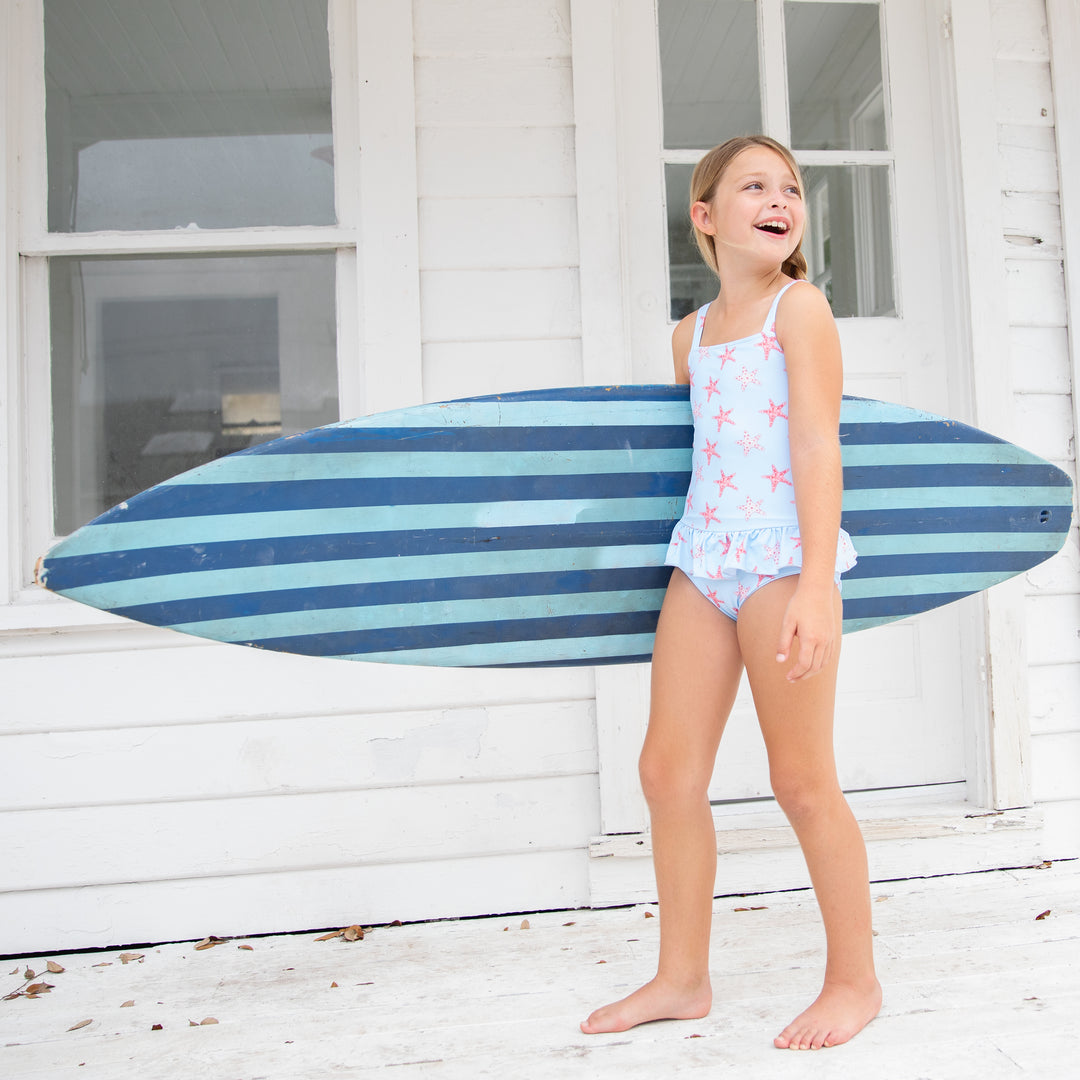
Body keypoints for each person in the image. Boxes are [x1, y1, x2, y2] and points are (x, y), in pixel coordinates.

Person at [580, 136, 882, 1051]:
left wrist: (818, 584)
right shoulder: (691, 335)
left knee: (800, 779)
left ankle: (854, 981)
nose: (779, 197)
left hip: (785, 557)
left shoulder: (804, 310)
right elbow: (702, 451)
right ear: (706, 217)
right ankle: (682, 977)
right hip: (703, 558)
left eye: (789, 186)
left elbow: (817, 446)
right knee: (666, 772)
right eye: (754, 185)